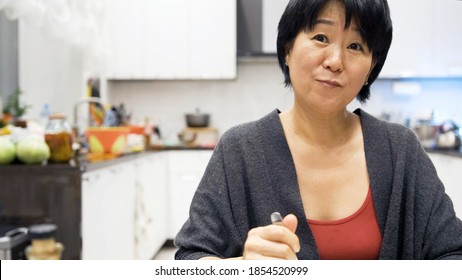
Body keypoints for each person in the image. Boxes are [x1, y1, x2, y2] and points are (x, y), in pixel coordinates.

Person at [174, 0, 462, 260]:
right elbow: (190, 258)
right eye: (321, 38)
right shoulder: (240, 149)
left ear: (371, 67)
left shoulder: (400, 150)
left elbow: (453, 251)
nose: (335, 61)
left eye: (355, 46)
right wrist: (242, 266)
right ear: (288, 48)